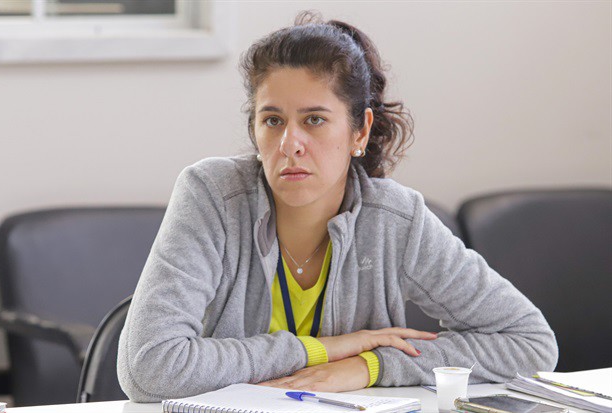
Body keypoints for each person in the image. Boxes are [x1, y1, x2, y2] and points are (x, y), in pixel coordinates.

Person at [118, 12, 557, 402]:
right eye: (273, 120)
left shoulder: (396, 220)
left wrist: (370, 366)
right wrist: (323, 350)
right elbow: (148, 367)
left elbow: (530, 342)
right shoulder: (212, 195)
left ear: (359, 131)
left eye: (314, 120)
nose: (290, 144)